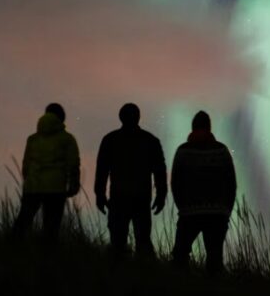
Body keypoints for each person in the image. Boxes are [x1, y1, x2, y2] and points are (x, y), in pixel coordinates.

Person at [94, 103, 167, 258]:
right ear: (139, 117)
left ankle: (118, 270)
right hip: (141, 198)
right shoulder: (150, 140)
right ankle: (143, 269)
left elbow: (102, 170)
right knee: (143, 240)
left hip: (119, 197)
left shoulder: (110, 140)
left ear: (120, 117)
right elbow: (159, 171)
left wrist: (100, 194)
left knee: (118, 243)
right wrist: (161, 194)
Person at [170, 110, 237, 274]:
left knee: (180, 254)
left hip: (189, 213)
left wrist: (182, 207)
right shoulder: (222, 151)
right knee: (215, 258)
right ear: (209, 127)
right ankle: (214, 288)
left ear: (193, 127)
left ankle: (180, 285)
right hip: (217, 214)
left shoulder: (183, 151)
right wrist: (226, 210)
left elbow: (175, 183)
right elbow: (231, 183)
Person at [12, 102, 81, 240]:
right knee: (51, 228)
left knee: (23, 222)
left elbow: (26, 164)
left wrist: (28, 181)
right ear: (61, 118)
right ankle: (47, 252)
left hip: (32, 186)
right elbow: (73, 164)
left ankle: (12, 247)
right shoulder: (67, 139)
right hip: (55, 188)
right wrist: (74, 184)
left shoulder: (33, 139)